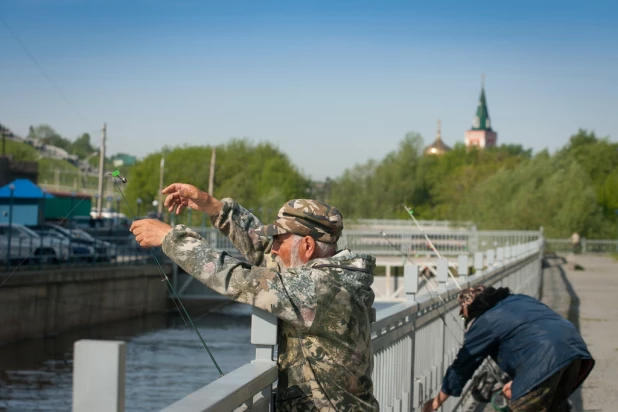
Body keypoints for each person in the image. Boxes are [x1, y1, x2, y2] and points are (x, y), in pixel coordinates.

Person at [130, 183, 379, 412]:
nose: (272, 248)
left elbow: (239, 278)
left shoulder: (321, 288)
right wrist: (214, 206)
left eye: (279, 241)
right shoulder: (332, 277)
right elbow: (262, 250)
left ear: (307, 246)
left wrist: (171, 239)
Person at [422, 285, 594, 412]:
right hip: (574, 349)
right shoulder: (519, 299)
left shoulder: (484, 322)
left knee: (523, 406)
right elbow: (532, 334)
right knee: (554, 407)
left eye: (463, 314)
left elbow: (463, 366)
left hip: (547, 358)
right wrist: (522, 380)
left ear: (469, 309)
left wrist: (437, 402)